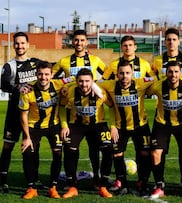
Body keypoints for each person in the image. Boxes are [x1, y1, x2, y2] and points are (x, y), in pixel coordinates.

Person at [52, 29, 106, 188]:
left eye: (82, 40)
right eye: (76, 40)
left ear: (86, 42)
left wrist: (98, 89)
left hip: (94, 111)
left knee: (94, 149)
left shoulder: (96, 60)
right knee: (71, 149)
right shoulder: (64, 61)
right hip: (73, 112)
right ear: (72, 42)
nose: (79, 43)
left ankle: (97, 177)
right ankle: (72, 180)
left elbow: (109, 76)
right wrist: (62, 87)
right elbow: (52, 79)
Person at [98, 60, 154, 196]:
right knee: (117, 154)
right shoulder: (110, 85)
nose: (124, 76)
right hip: (120, 128)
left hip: (141, 126)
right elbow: (93, 82)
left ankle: (143, 182)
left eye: (127, 73)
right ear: (116, 74)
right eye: (121, 73)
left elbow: (159, 78)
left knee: (144, 154)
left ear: (133, 74)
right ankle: (121, 182)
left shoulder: (141, 83)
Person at [19, 61, 74, 199]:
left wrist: (67, 87)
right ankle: (31, 188)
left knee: (57, 154)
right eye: (40, 74)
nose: (43, 77)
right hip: (33, 127)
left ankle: (53, 187)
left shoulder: (58, 83)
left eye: (46, 74)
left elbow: (74, 78)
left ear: (51, 75)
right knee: (27, 153)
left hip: (53, 126)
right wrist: (26, 137)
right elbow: (23, 115)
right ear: (36, 74)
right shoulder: (27, 90)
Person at [60, 68, 113, 198]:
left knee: (108, 149)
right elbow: (61, 107)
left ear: (92, 81)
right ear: (77, 81)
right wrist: (64, 125)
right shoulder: (69, 91)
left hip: (98, 125)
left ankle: (102, 184)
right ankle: (72, 186)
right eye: (81, 81)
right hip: (76, 125)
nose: (84, 84)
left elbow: (111, 106)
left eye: (87, 81)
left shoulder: (100, 92)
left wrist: (113, 126)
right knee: (69, 149)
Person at [151, 27, 182, 187]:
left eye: (174, 39)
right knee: (159, 151)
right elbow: (151, 82)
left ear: (179, 41)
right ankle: (159, 183)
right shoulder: (156, 61)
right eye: (168, 39)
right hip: (162, 113)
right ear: (165, 42)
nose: (171, 42)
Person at [147, 60, 182, 199]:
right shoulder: (158, 85)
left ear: (180, 73)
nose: (173, 74)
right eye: (170, 71)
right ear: (166, 73)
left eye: (176, 72)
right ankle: (159, 186)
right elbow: (144, 89)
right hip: (162, 123)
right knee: (156, 153)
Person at [0, 32, 41, 193]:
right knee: (8, 146)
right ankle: (3, 181)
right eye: (17, 43)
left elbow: (52, 68)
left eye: (22, 43)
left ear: (28, 45)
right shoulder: (9, 66)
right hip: (14, 113)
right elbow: (4, 85)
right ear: (13, 45)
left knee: (33, 147)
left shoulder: (35, 63)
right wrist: (18, 87)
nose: (20, 46)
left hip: (32, 113)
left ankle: (34, 180)